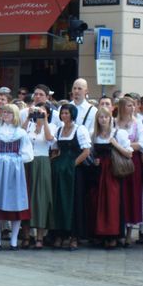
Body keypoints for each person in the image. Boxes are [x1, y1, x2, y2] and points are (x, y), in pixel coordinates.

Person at [0, 104, 33, 250]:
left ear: (15, 115)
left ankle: (13, 241)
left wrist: (14, 159)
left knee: (15, 202)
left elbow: (28, 154)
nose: (6, 114)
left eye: (9, 112)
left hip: (14, 171)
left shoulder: (21, 133)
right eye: (4, 112)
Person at [90, 107, 132, 248]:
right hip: (98, 173)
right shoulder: (94, 135)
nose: (103, 119)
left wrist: (115, 144)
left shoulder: (118, 134)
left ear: (110, 118)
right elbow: (91, 153)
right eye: (100, 117)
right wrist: (95, 160)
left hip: (112, 173)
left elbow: (129, 154)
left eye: (106, 117)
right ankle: (100, 234)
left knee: (112, 203)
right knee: (98, 203)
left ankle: (113, 235)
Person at [51, 103, 91, 250]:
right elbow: (55, 149)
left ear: (72, 114)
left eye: (67, 113)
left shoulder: (80, 129)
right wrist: (56, 162)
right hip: (60, 172)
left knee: (74, 202)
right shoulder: (59, 129)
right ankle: (60, 234)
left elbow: (86, 151)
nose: (64, 116)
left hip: (74, 171)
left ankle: (74, 236)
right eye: (62, 113)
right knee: (60, 201)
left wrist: (71, 164)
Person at [22, 102, 56, 249]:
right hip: (28, 162)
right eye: (38, 111)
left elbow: (49, 138)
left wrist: (45, 120)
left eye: (43, 111)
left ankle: (40, 236)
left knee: (41, 198)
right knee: (27, 197)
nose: (40, 114)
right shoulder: (29, 125)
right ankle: (26, 235)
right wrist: (29, 117)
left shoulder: (52, 126)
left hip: (42, 162)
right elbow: (20, 134)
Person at [115, 97, 143, 246]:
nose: (133, 108)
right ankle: (117, 230)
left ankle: (128, 233)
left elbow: (141, 144)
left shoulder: (137, 123)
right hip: (117, 160)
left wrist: (124, 145)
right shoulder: (115, 122)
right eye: (129, 105)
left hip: (133, 162)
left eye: (133, 105)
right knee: (119, 195)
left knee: (132, 195)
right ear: (122, 107)